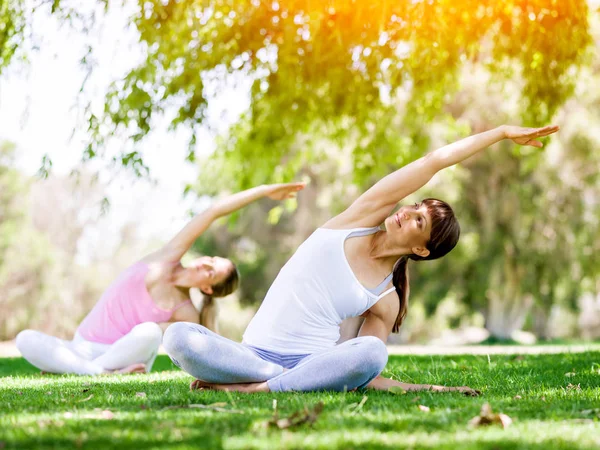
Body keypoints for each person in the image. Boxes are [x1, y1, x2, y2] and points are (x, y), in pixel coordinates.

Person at [163, 124, 559, 394]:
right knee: (179, 339)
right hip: (252, 356)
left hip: (311, 362)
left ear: (421, 249)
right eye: (415, 205)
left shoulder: (386, 298)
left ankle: (263, 389)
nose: (407, 210)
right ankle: (279, 380)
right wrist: (502, 133)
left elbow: (365, 369)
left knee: (374, 351)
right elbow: (434, 162)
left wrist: (428, 389)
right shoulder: (357, 219)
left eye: (417, 219)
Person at [15, 182, 305, 375]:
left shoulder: (186, 313)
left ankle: (83, 370)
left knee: (152, 333)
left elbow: (211, 352)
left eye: (212, 271)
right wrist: (266, 191)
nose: (206, 263)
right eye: (213, 259)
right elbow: (214, 211)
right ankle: (96, 373)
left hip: (123, 356)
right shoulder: (166, 257)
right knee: (25, 339)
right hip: (81, 345)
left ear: (207, 287)